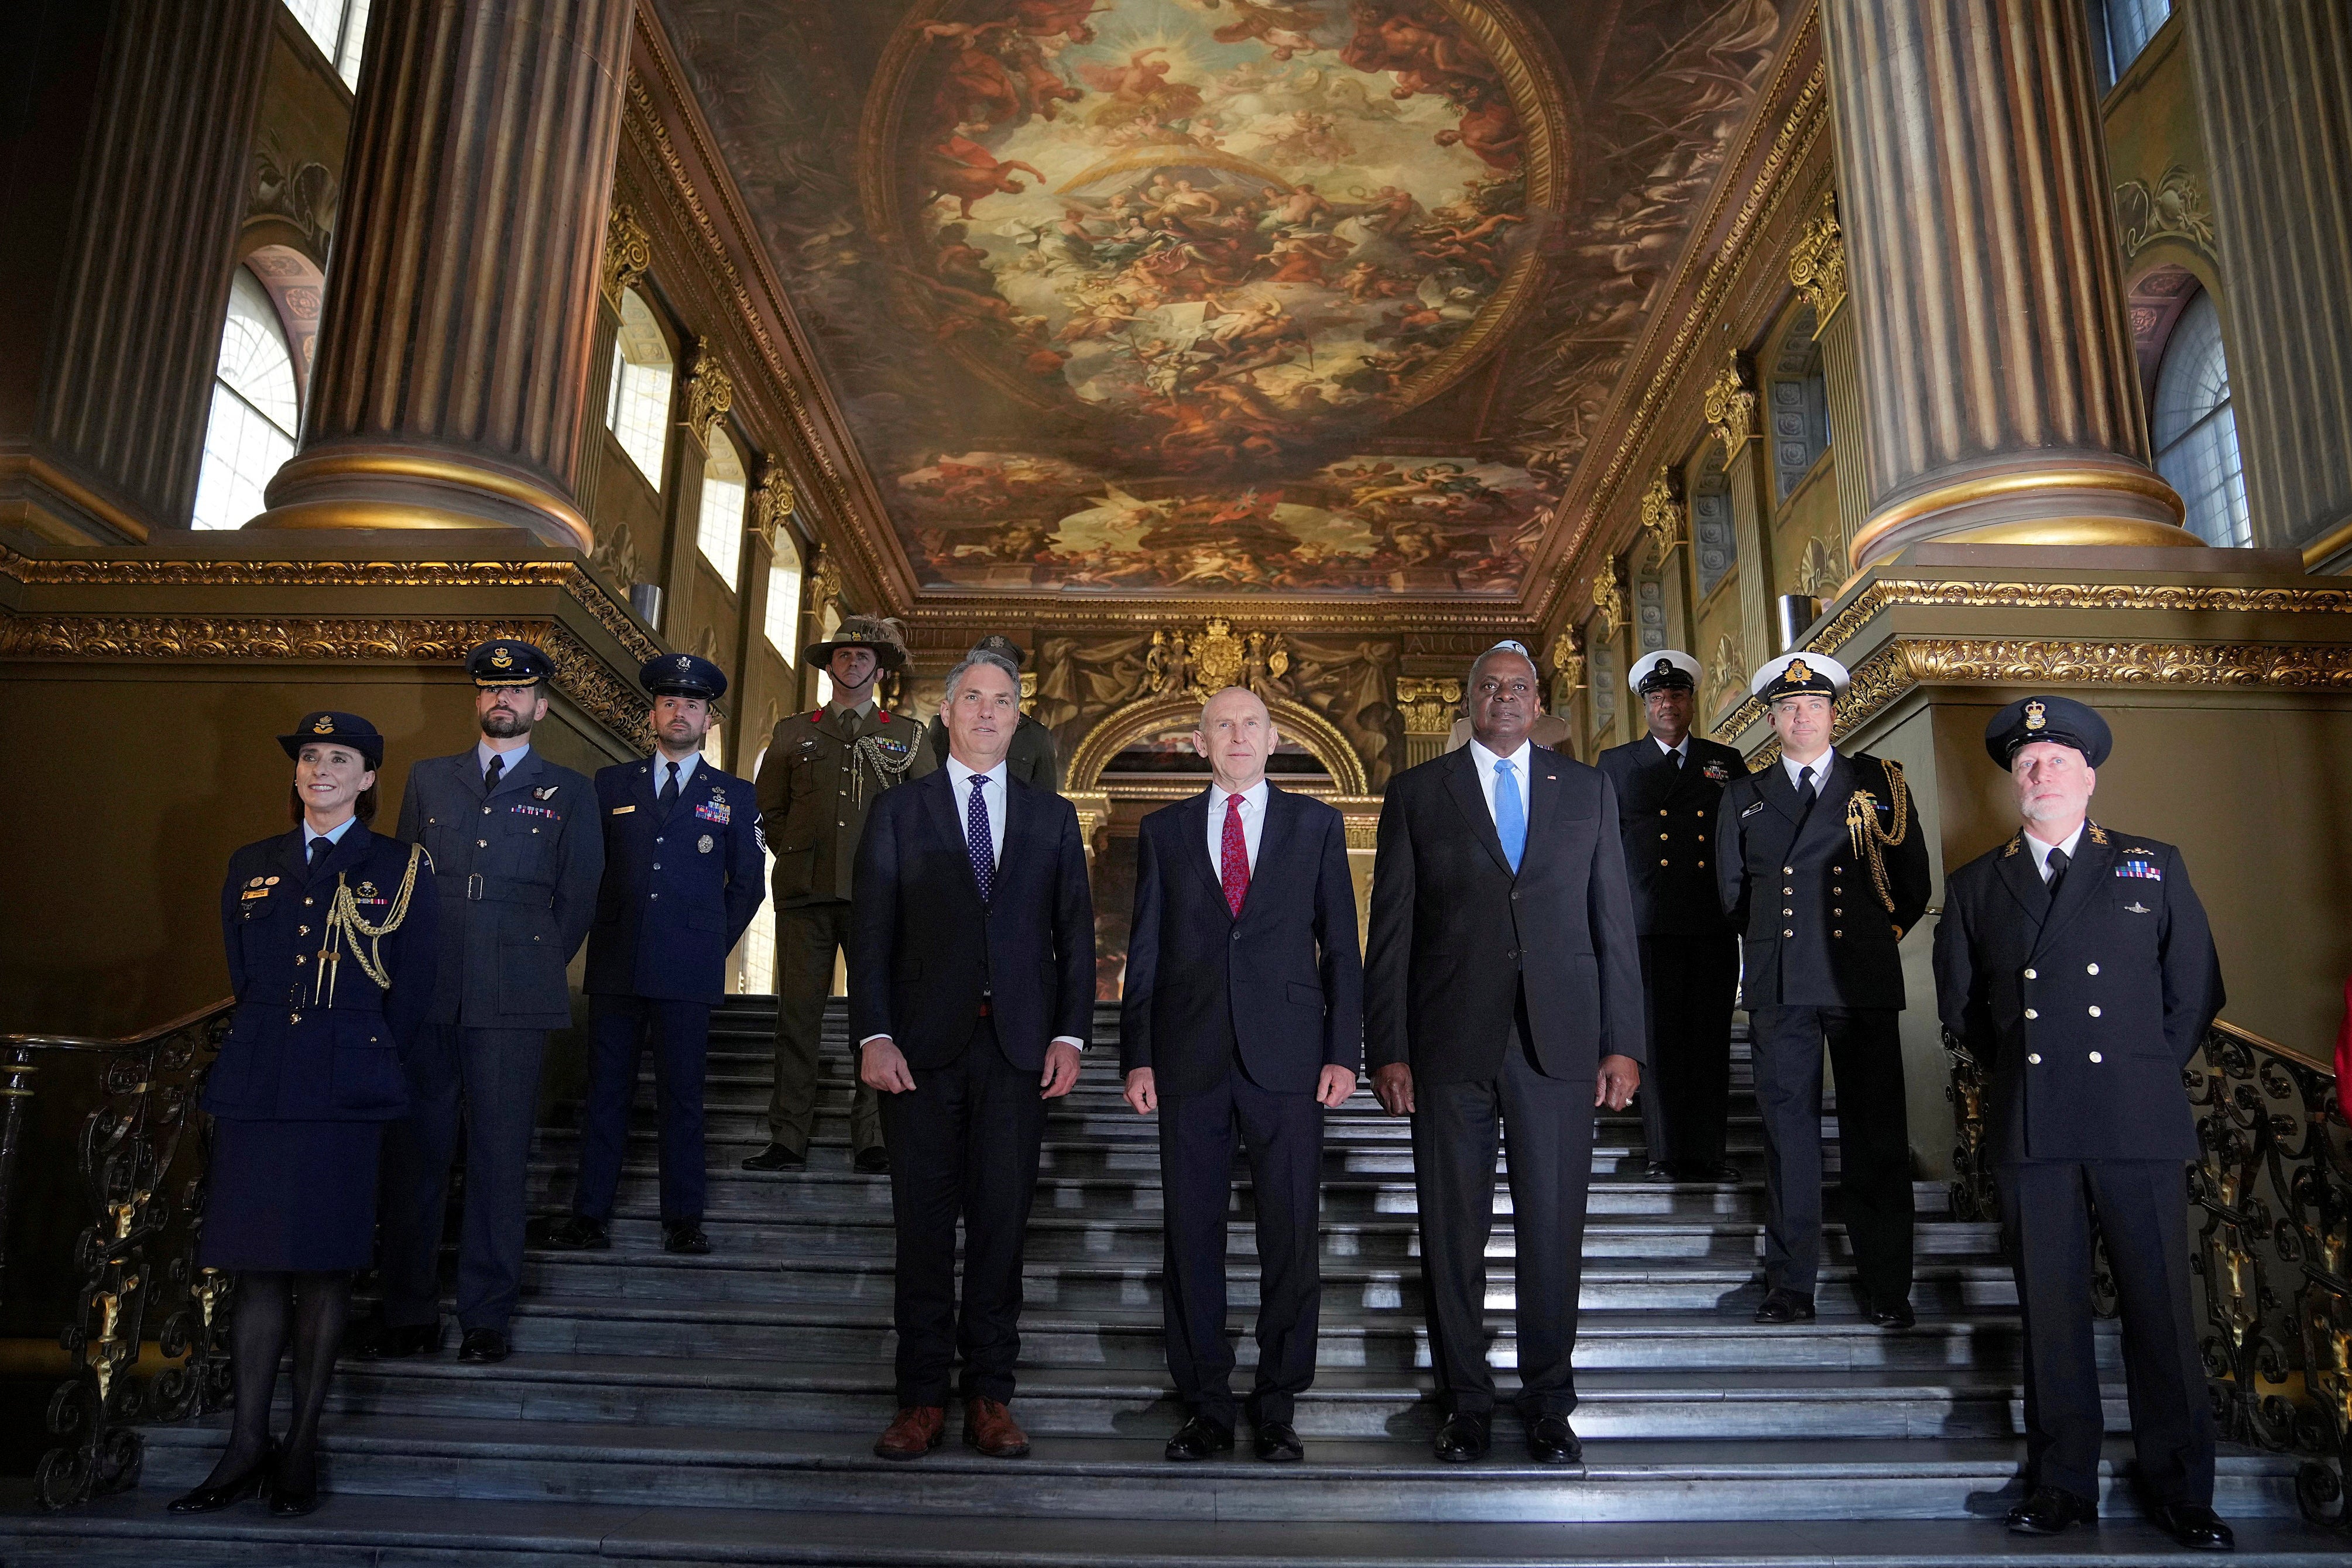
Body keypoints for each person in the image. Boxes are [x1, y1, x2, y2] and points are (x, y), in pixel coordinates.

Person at [1933, 695, 2233, 1550]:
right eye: (2026, 761)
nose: (2040, 771)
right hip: (2035, 1120)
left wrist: (2140, 1065)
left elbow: (2195, 987)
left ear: (2088, 774)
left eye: (2057, 758)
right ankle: (2061, 1481)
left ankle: (2182, 1487)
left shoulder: (2149, 863)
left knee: (2159, 1309)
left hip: (2135, 1117)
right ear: (2012, 782)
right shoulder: (1975, 885)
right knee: (2051, 1311)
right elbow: (1964, 1009)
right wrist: (2037, 1067)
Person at [1365, 641, 1645, 1465]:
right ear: (1469, 699)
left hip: (1557, 1046)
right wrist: (1386, 1046)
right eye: (1487, 686)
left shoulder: (1586, 789)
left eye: (1518, 687)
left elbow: (1613, 927)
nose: (1504, 698)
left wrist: (1622, 1042)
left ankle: (1549, 1404)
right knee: (1451, 1234)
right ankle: (1465, 1405)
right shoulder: (1419, 792)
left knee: (1552, 1232)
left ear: (1537, 700)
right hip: (1449, 1043)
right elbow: (1390, 932)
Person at [170, 713, 436, 1517]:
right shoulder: (253, 863)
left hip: (343, 1088)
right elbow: (244, 968)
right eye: (309, 757)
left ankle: (300, 1444)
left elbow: (413, 992)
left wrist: (361, 1061)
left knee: (324, 1268)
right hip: (260, 1082)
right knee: (255, 1268)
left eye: (339, 759)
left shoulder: (398, 865)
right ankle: (245, 1443)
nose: (319, 769)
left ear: (368, 778)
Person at [851, 647, 1094, 1463]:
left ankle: (990, 1393)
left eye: (1002, 701)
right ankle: (920, 1398)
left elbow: (1075, 935)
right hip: (919, 1050)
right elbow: (871, 932)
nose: (987, 712)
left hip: (1018, 1050)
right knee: (922, 1226)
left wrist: (1069, 1032)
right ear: (947, 713)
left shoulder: (1051, 817)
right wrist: (872, 1031)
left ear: (1018, 716)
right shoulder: (897, 811)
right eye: (973, 699)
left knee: (1000, 1225)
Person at [1121, 685, 1363, 1464]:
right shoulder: (1162, 832)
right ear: (1198, 742)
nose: (1236, 735)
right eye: (1221, 724)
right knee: (1191, 1235)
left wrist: (1342, 1049)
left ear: (1273, 736)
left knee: (1290, 1233)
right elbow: (1145, 951)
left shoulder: (1316, 824)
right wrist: (1136, 1053)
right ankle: (1206, 1405)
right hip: (1188, 1055)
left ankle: (1278, 1401)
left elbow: (1342, 947)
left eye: (1249, 723)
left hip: (1288, 1057)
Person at [374, 639, 604, 1365]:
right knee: (417, 1158)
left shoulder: (568, 789)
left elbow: (577, 896)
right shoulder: (428, 780)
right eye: (490, 689)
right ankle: (408, 1310)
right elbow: (406, 886)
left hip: (514, 997)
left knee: (501, 1162)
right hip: (430, 990)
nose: (502, 699)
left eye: (518, 691)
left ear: (541, 706)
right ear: (477, 701)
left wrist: (530, 965)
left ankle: (485, 1316)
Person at [1713, 653, 1926, 1329]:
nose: (1801, 717)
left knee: (1876, 1136)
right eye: (1787, 708)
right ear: (1771, 720)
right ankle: (1790, 1285)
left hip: (1859, 978)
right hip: (1781, 983)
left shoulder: (1879, 784)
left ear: (1834, 714)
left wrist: (1868, 939)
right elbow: (1729, 895)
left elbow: (1912, 881)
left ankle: (1888, 1287)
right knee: (1788, 1139)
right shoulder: (1743, 797)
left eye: (1813, 706)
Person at [546, 654, 765, 1258]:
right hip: (617, 962)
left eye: (691, 704)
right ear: (653, 714)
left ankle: (684, 1218)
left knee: (682, 1097)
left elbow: (749, 885)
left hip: (687, 971)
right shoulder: (611, 784)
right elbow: (587, 869)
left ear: (707, 719)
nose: (679, 712)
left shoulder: (734, 795)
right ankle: (589, 1214)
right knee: (606, 1093)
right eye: (669, 702)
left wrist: (707, 945)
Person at [747, 615, 936, 1175]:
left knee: (877, 1017)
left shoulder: (907, 736)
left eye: (862, 656)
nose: (852, 663)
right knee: (797, 1016)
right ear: (829, 665)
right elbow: (767, 814)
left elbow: (926, 816)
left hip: (879, 898)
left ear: (880, 668)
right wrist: (795, 853)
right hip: (805, 894)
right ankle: (788, 1136)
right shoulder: (791, 731)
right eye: (843, 655)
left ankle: (873, 1135)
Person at [1595, 650, 1747, 1182]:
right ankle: (1664, 1152)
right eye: (1657, 697)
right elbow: (1603, 847)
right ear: (1645, 706)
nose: (1667, 704)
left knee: (1709, 1038)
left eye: (1677, 695)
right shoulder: (1615, 765)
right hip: (1646, 922)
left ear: (1691, 701)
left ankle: (1710, 1154)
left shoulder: (1724, 761)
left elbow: (1740, 839)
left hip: (1711, 921)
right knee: (1657, 1040)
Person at [925, 633, 1060, 792]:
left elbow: (1045, 799)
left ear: (1017, 679)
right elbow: (927, 784)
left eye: (1005, 669)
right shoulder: (943, 725)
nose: (986, 713)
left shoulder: (1037, 736)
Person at [1442, 641, 1572, 756]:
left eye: (1519, 687)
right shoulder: (1463, 729)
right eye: (1490, 686)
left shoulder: (1557, 729)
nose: (1506, 695)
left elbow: (1568, 776)